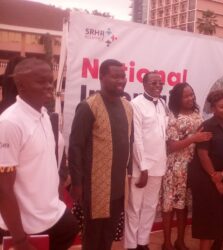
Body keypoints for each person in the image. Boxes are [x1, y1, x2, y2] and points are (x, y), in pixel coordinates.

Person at [0, 58, 78, 250]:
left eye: (50, 81)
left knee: (72, 226)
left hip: (52, 214)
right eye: (41, 81)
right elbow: (3, 188)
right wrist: (19, 241)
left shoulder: (43, 113)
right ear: (21, 85)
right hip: (26, 226)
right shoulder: (10, 123)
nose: (49, 86)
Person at [69, 59, 133, 250]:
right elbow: (75, 147)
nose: (121, 80)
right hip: (94, 186)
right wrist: (77, 183)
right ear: (102, 77)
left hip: (118, 186)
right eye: (115, 76)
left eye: (123, 76)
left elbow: (128, 142)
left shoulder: (127, 107)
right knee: (92, 235)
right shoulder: (88, 106)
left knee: (108, 234)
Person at [160, 83, 211, 250]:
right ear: (177, 98)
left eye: (192, 95)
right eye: (186, 96)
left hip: (192, 167)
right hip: (175, 167)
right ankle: (167, 242)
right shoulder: (171, 116)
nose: (190, 98)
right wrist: (194, 138)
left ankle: (180, 241)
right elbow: (171, 146)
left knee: (183, 207)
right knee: (169, 207)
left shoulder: (197, 114)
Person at [124, 71, 168, 250]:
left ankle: (143, 243)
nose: (158, 86)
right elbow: (136, 139)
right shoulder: (135, 105)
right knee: (134, 208)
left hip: (158, 166)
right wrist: (142, 167)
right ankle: (131, 245)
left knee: (150, 206)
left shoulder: (162, 104)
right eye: (153, 83)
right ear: (144, 84)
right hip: (140, 167)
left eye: (160, 83)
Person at [189, 90, 223, 250]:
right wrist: (215, 178)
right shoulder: (207, 126)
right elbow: (203, 155)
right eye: (222, 107)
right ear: (213, 108)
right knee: (207, 221)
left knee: (219, 218)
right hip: (205, 178)